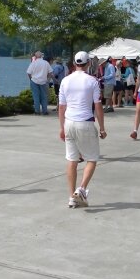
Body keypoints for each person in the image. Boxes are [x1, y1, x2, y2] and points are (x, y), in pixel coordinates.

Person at [58, 51, 106, 209]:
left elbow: (62, 107)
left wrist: (61, 127)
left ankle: (72, 197)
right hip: (85, 122)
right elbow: (98, 106)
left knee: (72, 160)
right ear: (88, 63)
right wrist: (102, 128)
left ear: (74, 63)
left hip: (69, 122)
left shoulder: (65, 80)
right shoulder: (93, 81)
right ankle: (82, 189)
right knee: (92, 158)